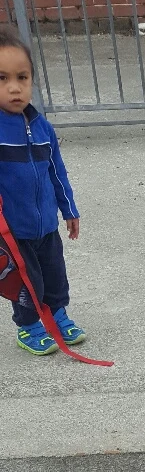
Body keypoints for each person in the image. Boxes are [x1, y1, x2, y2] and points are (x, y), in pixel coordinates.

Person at [0, 27, 86, 356]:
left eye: (22, 78)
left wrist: (69, 210)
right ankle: (29, 326)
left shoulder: (41, 127)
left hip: (46, 225)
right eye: (2, 78)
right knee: (24, 282)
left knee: (54, 274)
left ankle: (57, 313)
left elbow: (57, 171)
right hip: (12, 231)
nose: (14, 87)